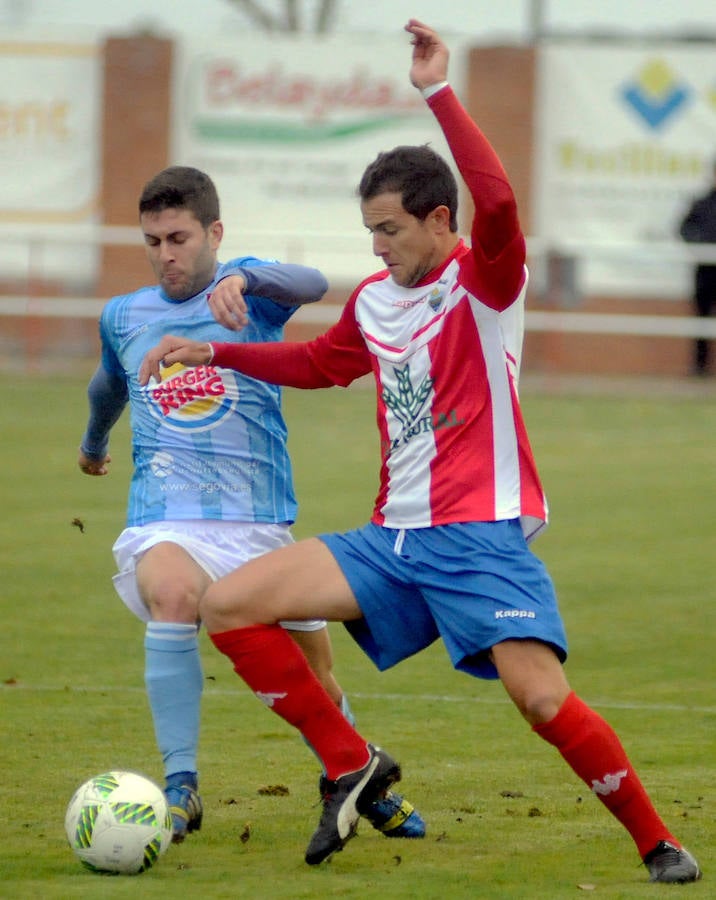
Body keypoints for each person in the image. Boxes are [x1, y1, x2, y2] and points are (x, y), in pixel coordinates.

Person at [138, 21, 701, 884]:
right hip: (392, 540)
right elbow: (321, 364)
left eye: (390, 229)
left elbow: (500, 204)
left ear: (440, 220)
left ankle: (657, 842)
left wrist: (437, 90)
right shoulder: (375, 298)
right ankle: (352, 762)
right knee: (229, 606)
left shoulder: (485, 282)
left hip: (478, 537)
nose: (377, 246)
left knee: (540, 699)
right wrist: (216, 351)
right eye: (369, 230)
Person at [77, 165, 425, 844]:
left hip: (259, 523)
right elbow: (106, 385)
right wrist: (93, 444)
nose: (165, 254)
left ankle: (355, 777)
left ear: (214, 233)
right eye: (153, 241)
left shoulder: (251, 296)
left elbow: (313, 283)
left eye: (178, 238)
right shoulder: (123, 315)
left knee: (317, 675)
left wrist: (248, 279)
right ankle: (180, 787)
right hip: (167, 517)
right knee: (174, 595)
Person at [679, 159, 716, 376]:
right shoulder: (701, 203)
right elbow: (684, 228)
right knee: (701, 319)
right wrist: (698, 245)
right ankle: (700, 367)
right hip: (705, 271)